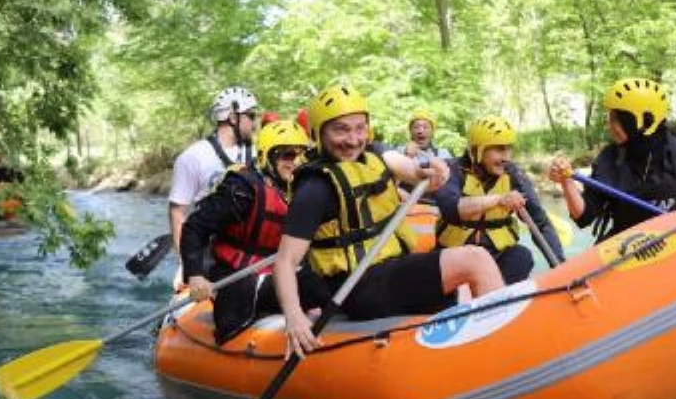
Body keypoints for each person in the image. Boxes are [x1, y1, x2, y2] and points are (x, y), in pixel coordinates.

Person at [275, 85, 505, 357]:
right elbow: (285, 261)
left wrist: (429, 171)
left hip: (388, 268)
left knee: (457, 289)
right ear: (317, 133)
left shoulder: (373, 153)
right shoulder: (315, 187)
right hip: (358, 287)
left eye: (359, 128)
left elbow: (411, 169)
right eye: (341, 129)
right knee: (474, 259)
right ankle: (505, 350)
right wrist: (294, 316)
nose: (352, 139)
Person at [180, 120, 329, 344]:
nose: (296, 162)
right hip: (237, 274)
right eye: (287, 155)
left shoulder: (307, 191)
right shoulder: (241, 189)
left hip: (281, 273)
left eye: (302, 155)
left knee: (325, 284)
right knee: (232, 321)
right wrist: (194, 274)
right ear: (266, 157)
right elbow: (194, 227)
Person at [548, 77, 676, 241]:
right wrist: (567, 183)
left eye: (616, 119)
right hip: (631, 251)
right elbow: (583, 216)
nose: (609, 126)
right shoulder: (610, 158)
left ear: (644, 121)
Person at [435, 115, 564, 284]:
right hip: (456, 256)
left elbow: (540, 223)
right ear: (477, 150)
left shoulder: (513, 175)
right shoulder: (452, 170)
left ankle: (496, 299)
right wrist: (499, 200)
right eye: (499, 149)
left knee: (522, 256)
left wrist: (561, 267)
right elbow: (451, 209)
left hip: (497, 255)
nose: (506, 157)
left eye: (509, 149)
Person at [167, 86, 260, 259]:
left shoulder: (258, 153)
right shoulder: (192, 157)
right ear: (233, 117)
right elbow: (178, 212)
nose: (254, 124)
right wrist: (185, 263)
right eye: (251, 116)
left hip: (249, 250)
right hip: (209, 252)